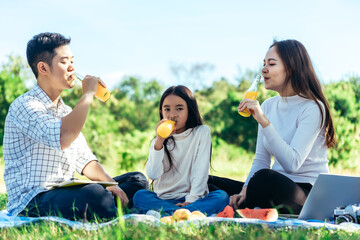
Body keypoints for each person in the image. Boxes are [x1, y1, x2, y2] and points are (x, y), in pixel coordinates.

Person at [3, 32, 149, 221]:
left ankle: (111, 205)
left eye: (72, 60)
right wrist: (87, 94)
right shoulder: (25, 105)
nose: (72, 67)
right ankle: (112, 206)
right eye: (64, 62)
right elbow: (63, 137)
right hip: (32, 200)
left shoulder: (66, 111)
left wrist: (111, 183)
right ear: (43, 68)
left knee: (136, 181)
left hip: (65, 190)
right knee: (96, 195)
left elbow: (86, 160)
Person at [208, 39, 336, 214]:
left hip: (304, 192)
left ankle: (239, 207)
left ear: (291, 68)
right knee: (206, 181)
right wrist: (245, 189)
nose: (264, 69)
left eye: (271, 64)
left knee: (263, 180)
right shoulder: (268, 106)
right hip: (267, 187)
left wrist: (263, 121)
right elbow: (261, 159)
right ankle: (247, 204)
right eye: (263, 64)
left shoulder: (313, 107)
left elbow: (292, 163)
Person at [133, 85, 229, 216]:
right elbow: (153, 175)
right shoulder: (158, 140)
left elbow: (200, 170)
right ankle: (185, 214)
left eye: (179, 108)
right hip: (163, 200)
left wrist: (191, 200)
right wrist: (159, 142)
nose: (172, 114)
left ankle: (170, 214)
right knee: (140, 195)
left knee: (221, 196)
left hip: (193, 200)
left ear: (189, 110)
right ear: (161, 112)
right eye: (167, 109)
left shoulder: (201, 132)